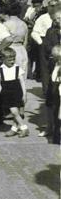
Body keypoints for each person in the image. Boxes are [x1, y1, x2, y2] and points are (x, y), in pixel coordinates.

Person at [0, 48, 28, 138]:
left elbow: (22, 81)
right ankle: (21, 128)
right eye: (9, 60)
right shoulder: (0, 69)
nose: (12, 61)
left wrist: (24, 94)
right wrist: (2, 91)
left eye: (13, 59)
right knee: (14, 112)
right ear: (3, 59)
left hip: (17, 92)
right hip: (7, 93)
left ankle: (18, 128)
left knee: (16, 112)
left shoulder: (17, 68)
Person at [41, 11, 61, 142]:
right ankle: (51, 127)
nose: (57, 21)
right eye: (56, 19)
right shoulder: (51, 31)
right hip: (54, 66)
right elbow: (46, 46)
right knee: (51, 99)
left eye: (59, 18)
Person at [0, 1, 29, 78]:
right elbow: (25, 42)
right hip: (22, 50)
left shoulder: (6, 24)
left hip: (10, 50)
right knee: (22, 75)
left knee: (11, 75)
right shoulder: (24, 24)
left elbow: (4, 40)